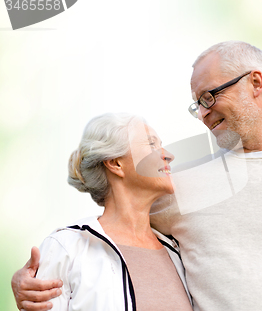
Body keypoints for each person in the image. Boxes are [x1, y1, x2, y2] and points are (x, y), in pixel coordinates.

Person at [12, 41, 262, 310]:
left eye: (210, 97)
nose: (203, 114)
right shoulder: (179, 184)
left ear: (256, 83)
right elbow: (115, 226)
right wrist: (32, 281)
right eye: (197, 105)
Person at [11, 113, 193, 311]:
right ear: (116, 163)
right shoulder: (67, 249)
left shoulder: (176, 252)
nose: (168, 155)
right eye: (151, 145)